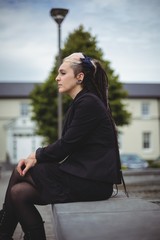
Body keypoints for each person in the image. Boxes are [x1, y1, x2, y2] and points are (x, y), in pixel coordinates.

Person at [0, 52, 124, 240]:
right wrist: (36, 157)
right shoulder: (82, 101)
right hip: (83, 176)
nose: (57, 78)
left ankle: (3, 232)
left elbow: (64, 147)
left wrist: (35, 154)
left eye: (63, 73)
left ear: (79, 77)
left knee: (21, 170)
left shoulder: (88, 102)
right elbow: (66, 145)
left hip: (92, 181)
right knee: (19, 193)